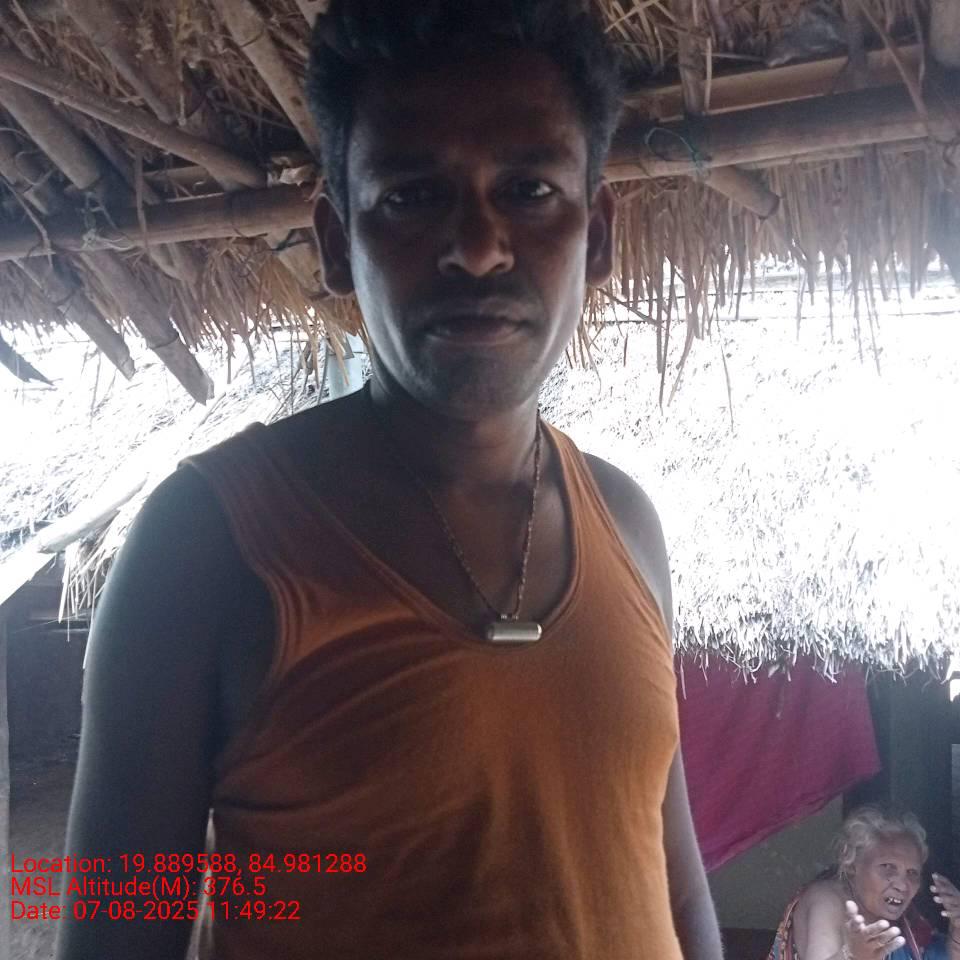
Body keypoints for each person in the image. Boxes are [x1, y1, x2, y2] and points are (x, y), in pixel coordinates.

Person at [56, 3, 723, 959]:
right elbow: (115, 936)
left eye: (530, 189)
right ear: (336, 242)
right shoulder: (207, 545)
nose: (479, 247)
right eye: (411, 196)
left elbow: (677, 885)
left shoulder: (627, 521)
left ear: (599, 233)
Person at [768, 807, 959, 960]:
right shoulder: (826, 900)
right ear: (851, 863)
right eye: (887, 867)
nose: (902, 885)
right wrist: (852, 955)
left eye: (912, 873)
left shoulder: (904, 917)